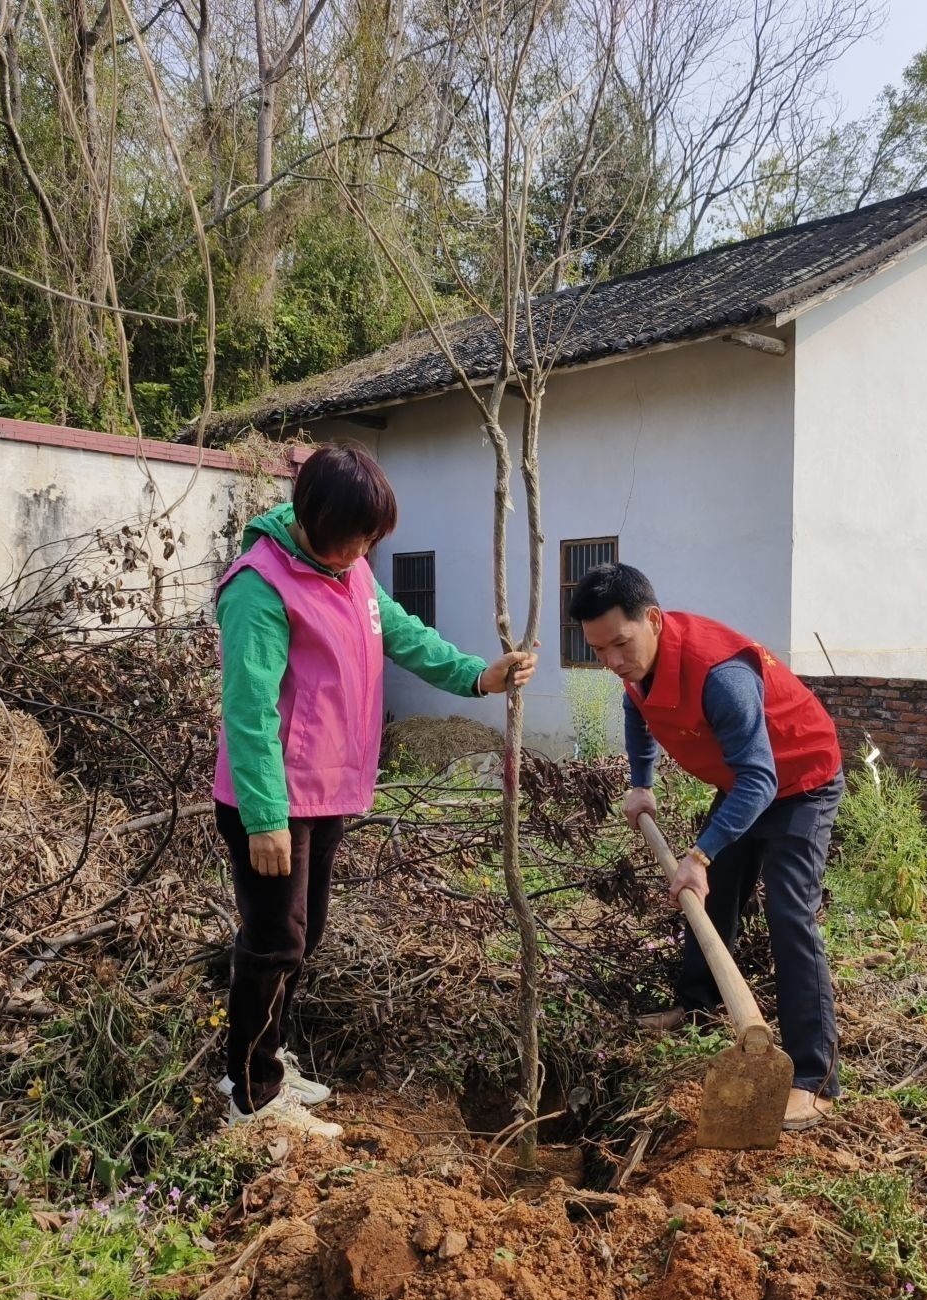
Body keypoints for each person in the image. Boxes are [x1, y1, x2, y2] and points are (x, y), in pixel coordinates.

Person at [214, 441, 536, 1136]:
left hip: (325, 791)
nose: (363, 549)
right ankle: (249, 1095)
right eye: (355, 536)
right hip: (272, 798)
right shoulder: (259, 585)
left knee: (305, 933)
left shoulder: (351, 571)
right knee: (275, 939)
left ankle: (266, 1059)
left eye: (371, 539)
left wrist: (479, 675)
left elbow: (405, 635)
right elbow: (249, 709)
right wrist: (265, 818)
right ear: (317, 519)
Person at [569, 563, 844, 1131]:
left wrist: (698, 856)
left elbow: (763, 781)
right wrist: (641, 782)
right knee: (711, 899)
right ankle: (698, 1005)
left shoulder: (719, 673)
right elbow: (635, 709)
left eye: (620, 644)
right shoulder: (635, 665)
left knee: (790, 913)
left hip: (799, 783)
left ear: (652, 619)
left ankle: (814, 1080)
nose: (614, 661)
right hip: (744, 784)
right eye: (599, 651)